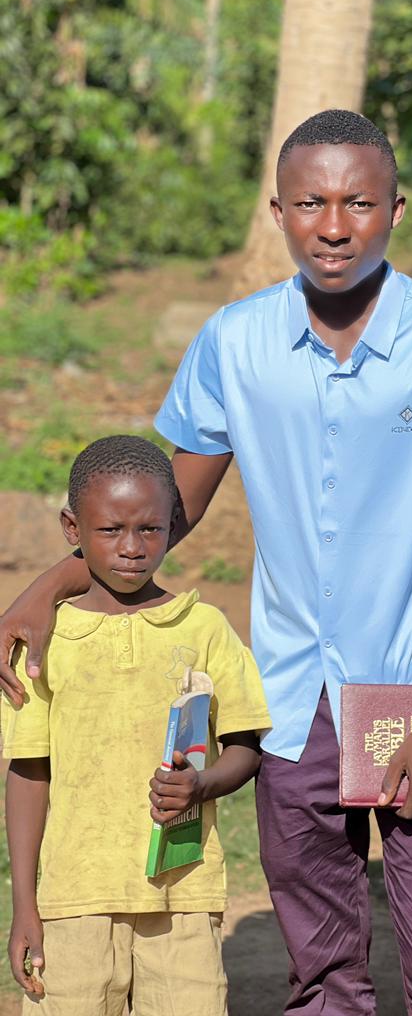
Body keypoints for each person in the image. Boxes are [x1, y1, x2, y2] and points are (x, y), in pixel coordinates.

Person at [0, 111, 412, 1015]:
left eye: (359, 202)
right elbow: (168, 508)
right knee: (323, 972)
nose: (334, 224)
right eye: (311, 202)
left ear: (396, 209)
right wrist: (49, 584)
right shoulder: (235, 341)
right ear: (277, 212)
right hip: (291, 700)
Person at [2, 435, 270, 1015]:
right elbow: (28, 773)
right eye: (110, 530)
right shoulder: (46, 643)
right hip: (72, 901)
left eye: (149, 529)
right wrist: (26, 904)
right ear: (73, 529)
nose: (131, 547)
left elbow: (245, 748)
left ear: (173, 526)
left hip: (183, 894)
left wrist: (203, 784)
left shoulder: (204, 628)